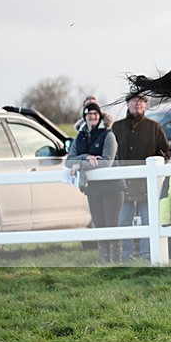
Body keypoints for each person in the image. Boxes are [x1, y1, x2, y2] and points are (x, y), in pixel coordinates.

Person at [113, 92, 171, 262]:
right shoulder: (117, 127)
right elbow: (111, 152)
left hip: (147, 184)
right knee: (124, 221)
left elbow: (166, 150)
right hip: (124, 184)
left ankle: (148, 254)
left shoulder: (154, 127)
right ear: (128, 104)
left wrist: (155, 164)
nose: (137, 104)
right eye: (134, 101)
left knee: (149, 221)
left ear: (145, 105)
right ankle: (127, 256)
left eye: (141, 101)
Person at [65, 102, 125, 263]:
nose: (92, 117)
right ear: (84, 117)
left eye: (95, 114)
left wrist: (81, 165)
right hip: (93, 188)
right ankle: (104, 261)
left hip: (112, 187)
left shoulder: (108, 136)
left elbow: (107, 162)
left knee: (111, 225)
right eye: (89, 114)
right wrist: (85, 157)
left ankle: (116, 261)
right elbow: (68, 162)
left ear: (100, 116)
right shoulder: (80, 137)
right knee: (99, 225)